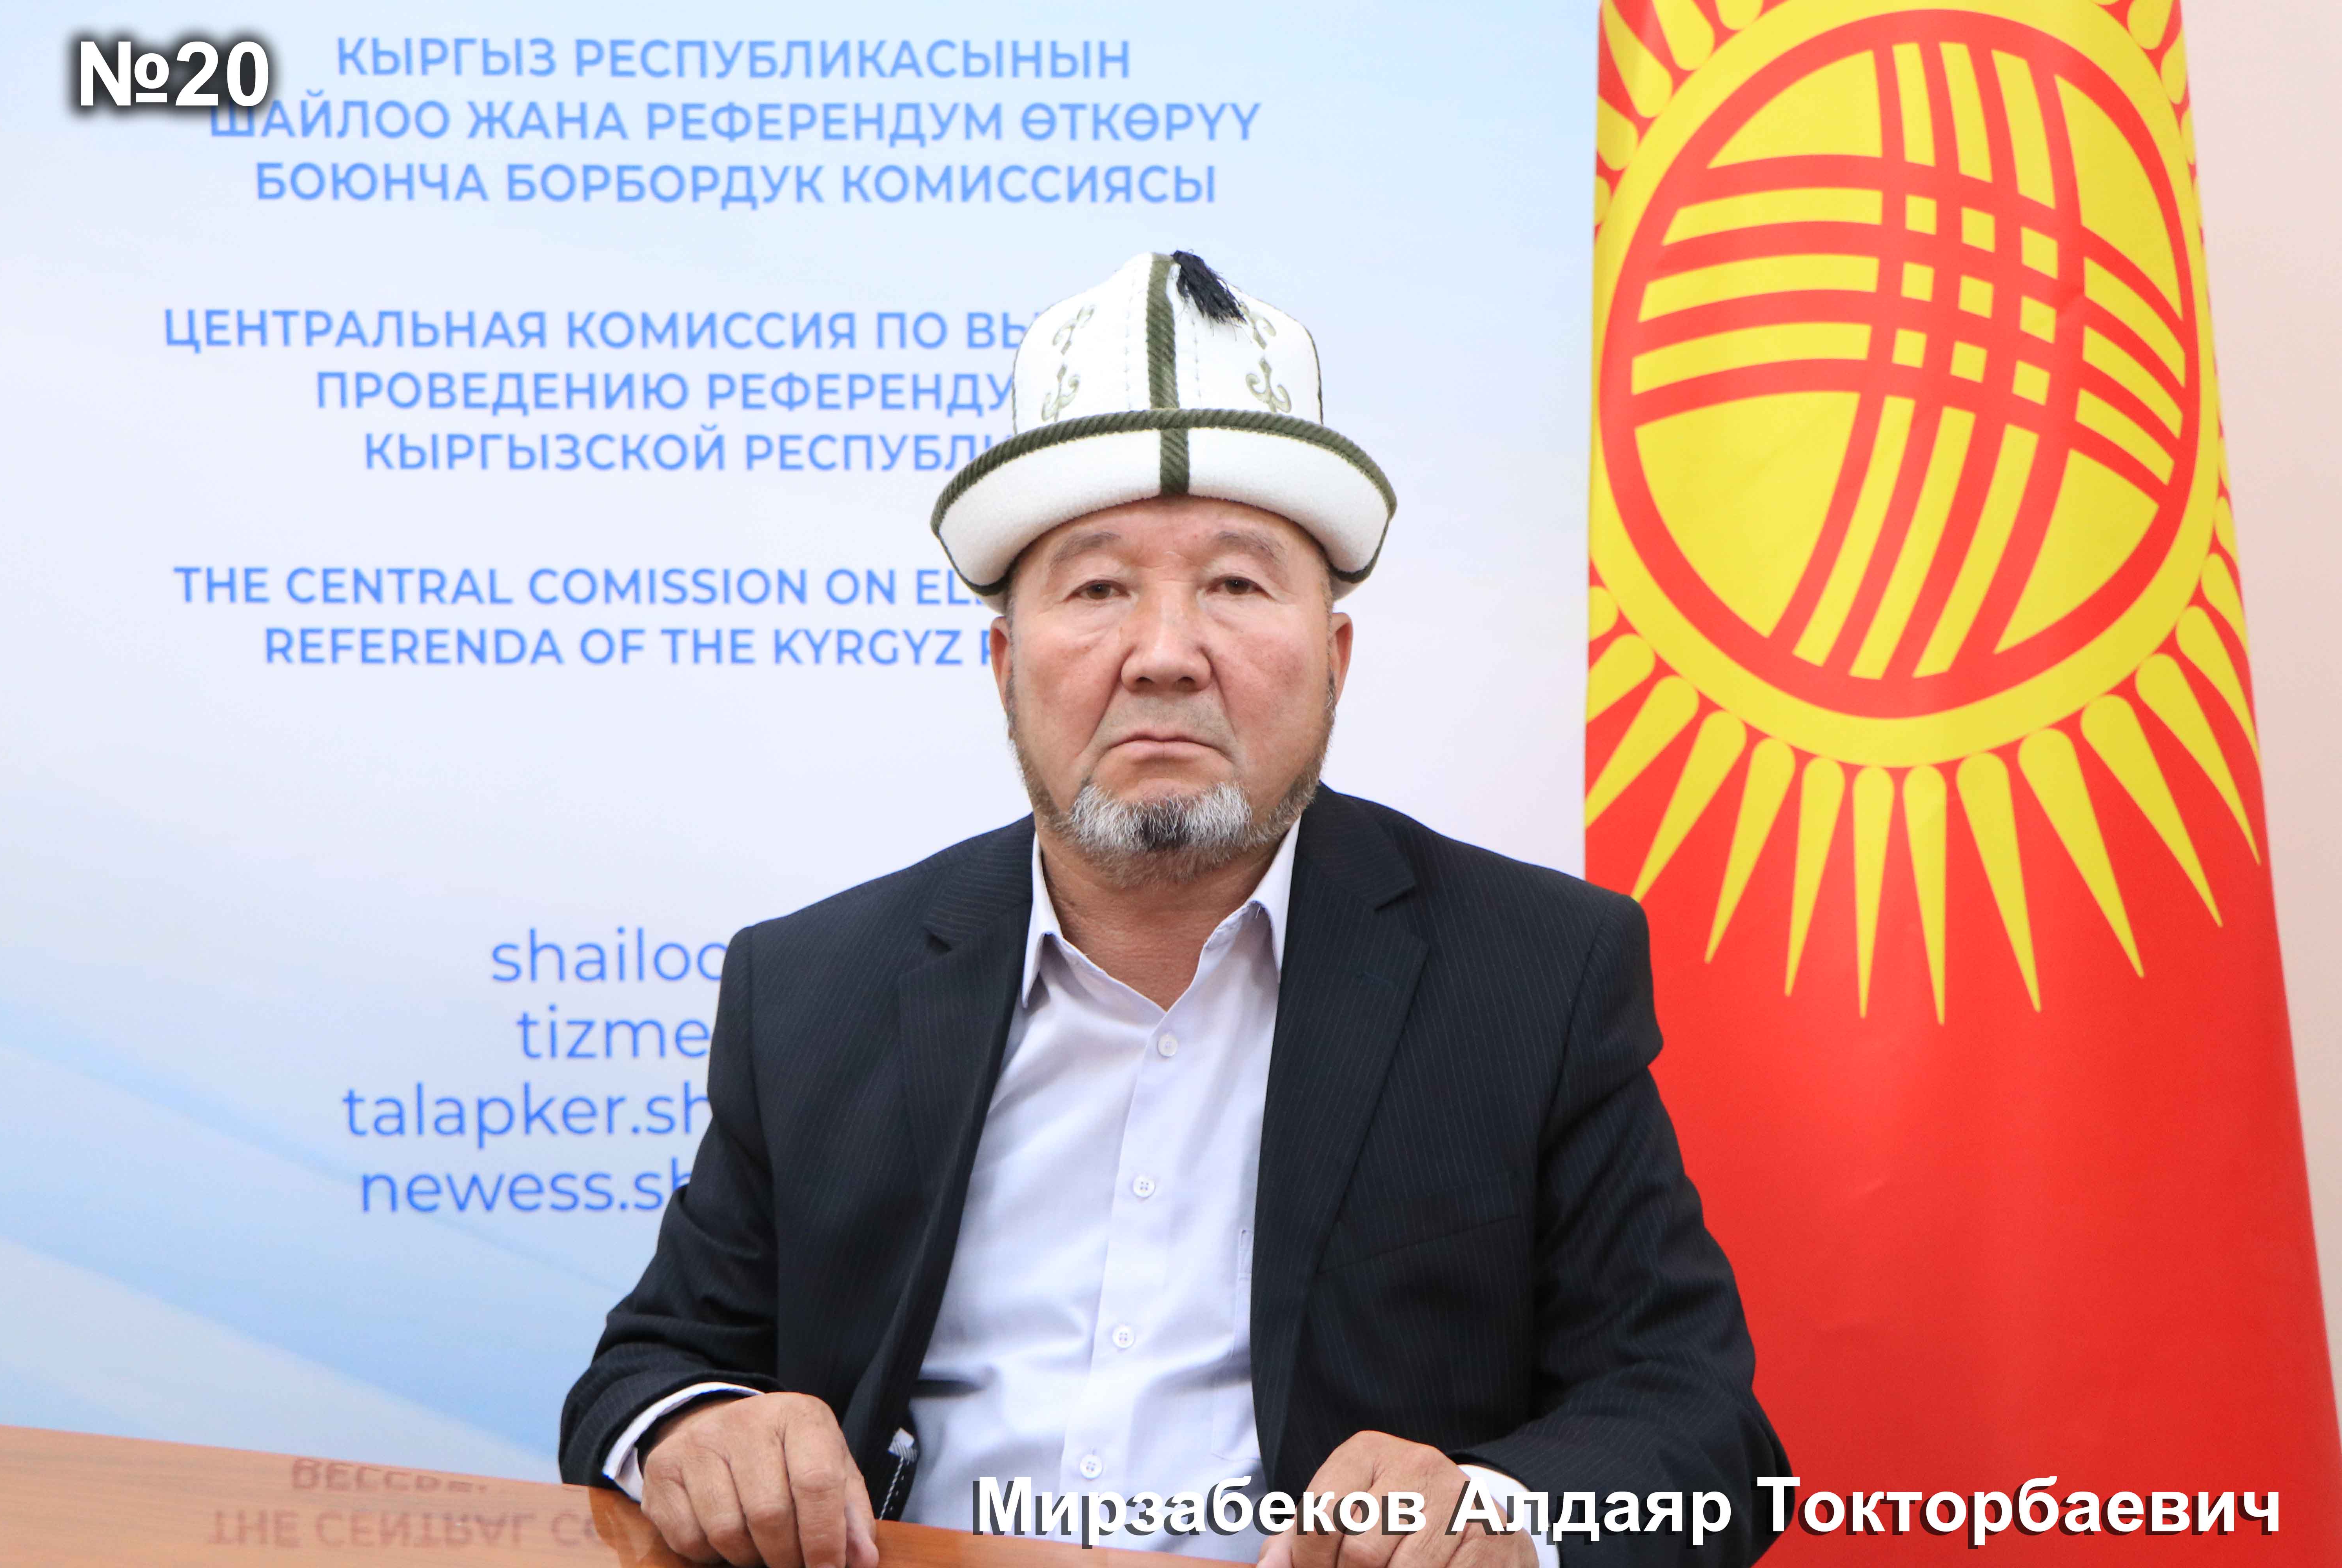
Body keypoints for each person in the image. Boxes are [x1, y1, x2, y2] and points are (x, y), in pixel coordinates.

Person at [561, 252, 1785, 1568]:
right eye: (1097, 589)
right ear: (1004, 664)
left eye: (1237, 586)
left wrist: (1500, 1514)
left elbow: (1701, 1425)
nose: (1163, 654)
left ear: (1335, 660)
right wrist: (701, 1429)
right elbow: (651, 1368)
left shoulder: (1532, 975)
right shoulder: (817, 987)